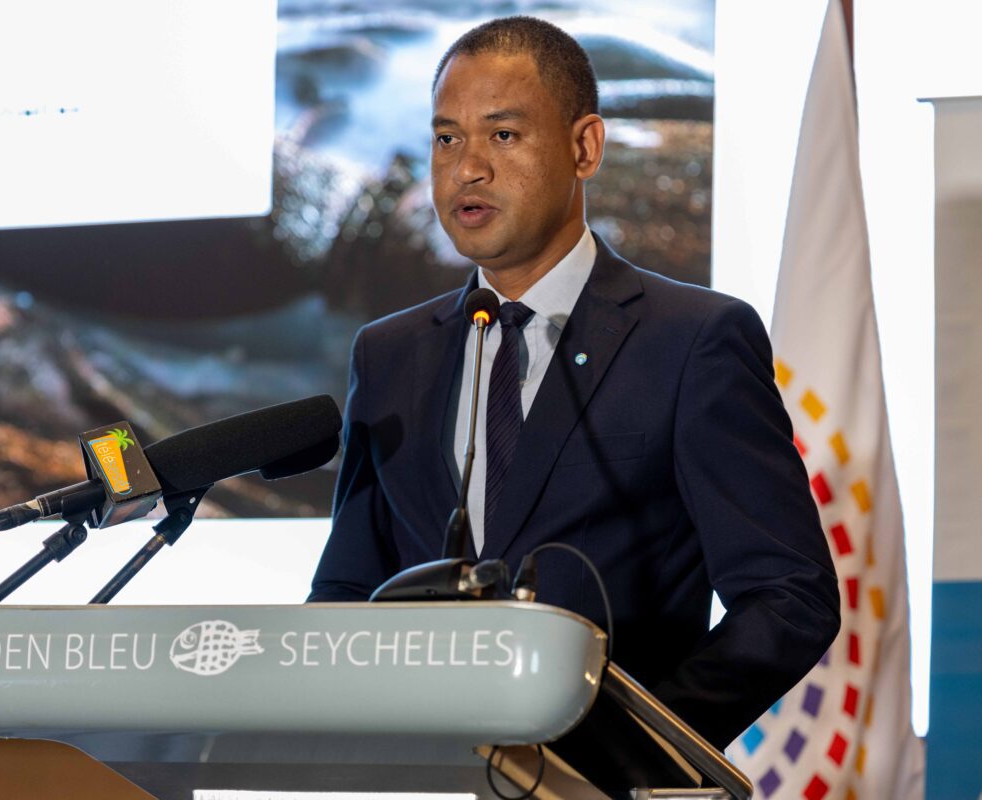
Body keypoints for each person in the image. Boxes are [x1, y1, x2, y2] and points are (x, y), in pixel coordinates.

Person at [308, 16, 839, 754]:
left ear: (584, 147)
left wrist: (639, 747)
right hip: (426, 776)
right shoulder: (390, 354)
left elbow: (789, 597)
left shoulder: (692, 340)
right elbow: (346, 590)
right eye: (446, 138)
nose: (467, 169)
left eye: (502, 134)